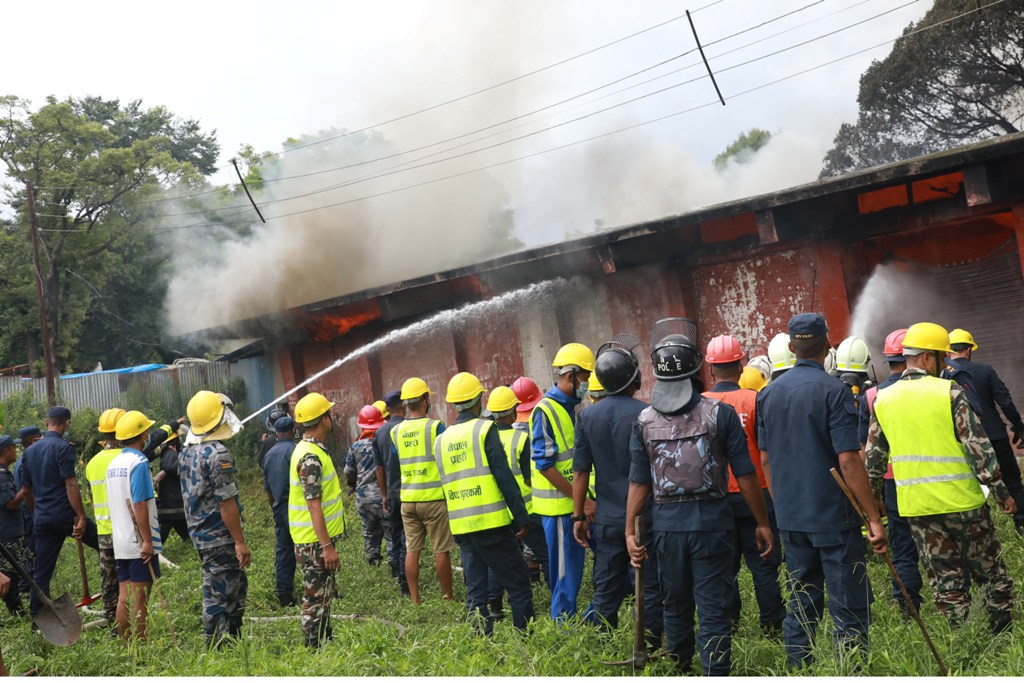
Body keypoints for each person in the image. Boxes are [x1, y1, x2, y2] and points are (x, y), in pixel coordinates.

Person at [626, 319, 774, 675]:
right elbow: (746, 474)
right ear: (697, 369)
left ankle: (680, 669)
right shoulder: (719, 415)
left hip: (667, 529)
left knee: (675, 603)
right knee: (713, 607)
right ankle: (715, 673)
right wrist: (762, 522)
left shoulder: (644, 421)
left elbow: (639, 483)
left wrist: (630, 530)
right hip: (713, 526)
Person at [866, 322, 1016, 634]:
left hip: (918, 511)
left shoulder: (884, 400)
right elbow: (979, 449)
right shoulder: (949, 393)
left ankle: (962, 638)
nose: (945, 365)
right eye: (940, 357)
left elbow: (874, 462)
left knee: (945, 580)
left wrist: (874, 511)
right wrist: (1003, 493)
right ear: (924, 357)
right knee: (991, 573)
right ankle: (1002, 633)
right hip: (963, 504)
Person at [757, 313, 887, 670]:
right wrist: (873, 517)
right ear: (828, 346)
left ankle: (800, 669)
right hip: (834, 517)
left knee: (801, 600)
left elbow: (765, 460)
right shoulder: (836, 392)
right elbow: (848, 460)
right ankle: (852, 671)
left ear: (791, 347)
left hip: (791, 518)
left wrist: (783, 506)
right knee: (848, 604)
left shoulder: (767, 396)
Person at [573, 339, 663, 648]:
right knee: (649, 584)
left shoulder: (586, 417)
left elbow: (581, 471)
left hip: (607, 518)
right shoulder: (647, 414)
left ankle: (603, 643)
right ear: (634, 379)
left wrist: (577, 515)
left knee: (606, 587)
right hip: (645, 516)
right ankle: (650, 643)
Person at [435, 373, 534, 634]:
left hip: (463, 526)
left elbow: (446, 485)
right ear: (478, 400)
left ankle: (481, 641)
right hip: (492, 524)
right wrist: (521, 517)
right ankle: (527, 637)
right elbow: (504, 476)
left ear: (454, 404)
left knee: (476, 591)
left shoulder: (441, 439)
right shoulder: (484, 429)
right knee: (518, 584)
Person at [702, 334, 785, 637]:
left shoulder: (701, 405)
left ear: (711, 369)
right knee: (763, 562)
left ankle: (730, 623)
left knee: (724, 568)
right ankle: (773, 625)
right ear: (739, 365)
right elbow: (766, 451)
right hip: (756, 494)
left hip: (717, 497)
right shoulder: (755, 399)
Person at [858, 328, 922, 616]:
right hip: (933, 477)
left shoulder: (871, 394)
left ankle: (908, 603)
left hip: (892, 480)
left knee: (902, 543)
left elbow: (864, 448)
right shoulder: (932, 387)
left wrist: (871, 496)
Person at [180, 390, 251, 647]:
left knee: (234, 585)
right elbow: (226, 502)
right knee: (218, 593)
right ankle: (216, 645)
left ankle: (232, 637)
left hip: (201, 534)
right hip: (218, 536)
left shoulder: (187, 452)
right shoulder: (217, 454)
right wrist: (239, 541)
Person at [19, 406, 99, 618]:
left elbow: (26, 491)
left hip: (43, 519)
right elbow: (70, 484)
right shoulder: (64, 448)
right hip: (66, 516)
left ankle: (37, 617)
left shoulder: (28, 452)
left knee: (42, 572)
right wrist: (81, 516)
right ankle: (118, 588)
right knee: (105, 546)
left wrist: (38, 511)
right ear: (67, 423)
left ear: (47, 422)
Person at [945, 328, 1024, 535]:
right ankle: (1021, 524)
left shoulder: (943, 375)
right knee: (1013, 480)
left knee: (971, 485)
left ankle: (981, 530)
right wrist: (1018, 426)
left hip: (963, 441)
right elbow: (1004, 401)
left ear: (947, 352)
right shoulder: (985, 370)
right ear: (969, 350)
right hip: (994, 436)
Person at [484, 385, 550, 618]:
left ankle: (495, 607)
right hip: (526, 509)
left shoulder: (484, 438)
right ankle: (556, 598)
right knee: (546, 554)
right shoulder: (521, 438)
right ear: (513, 411)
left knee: (498, 561)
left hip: (499, 511)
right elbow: (531, 477)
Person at [290, 392, 347, 648]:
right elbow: (314, 506)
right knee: (315, 597)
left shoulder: (308, 450)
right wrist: (327, 547)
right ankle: (314, 648)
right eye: (329, 414)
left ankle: (325, 640)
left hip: (313, 540)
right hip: (315, 543)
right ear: (323, 419)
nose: (331, 418)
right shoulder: (311, 457)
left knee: (322, 594)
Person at [390, 378, 453, 605]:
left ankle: (416, 600)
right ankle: (447, 597)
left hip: (408, 500)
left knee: (412, 550)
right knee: (441, 550)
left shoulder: (395, 432)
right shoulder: (435, 427)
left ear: (406, 404)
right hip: (433, 499)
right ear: (426, 400)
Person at [106, 410, 162, 640]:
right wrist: (147, 540)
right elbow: (139, 502)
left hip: (120, 540)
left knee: (124, 596)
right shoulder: (139, 462)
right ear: (142, 434)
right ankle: (140, 647)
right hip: (138, 540)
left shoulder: (114, 463)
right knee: (140, 597)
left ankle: (126, 644)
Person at [84, 408, 126, 629]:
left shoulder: (92, 463)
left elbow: (91, 498)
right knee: (131, 582)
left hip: (104, 532)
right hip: (127, 531)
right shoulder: (128, 458)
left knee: (109, 582)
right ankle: (133, 624)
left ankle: (112, 622)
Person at [510, 376, 548, 584]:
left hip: (514, 501)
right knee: (543, 545)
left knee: (525, 544)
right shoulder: (538, 424)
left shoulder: (508, 431)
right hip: (538, 496)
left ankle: (532, 579)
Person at [344, 405, 390, 566]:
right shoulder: (384, 442)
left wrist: (355, 483)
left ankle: (373, 561)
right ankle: (394, 564)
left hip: (363, 499)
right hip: (384, 497)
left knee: (370, 532)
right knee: (391, 532)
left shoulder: (355, 447)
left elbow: (348, 471)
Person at [261, 415, 298, 607]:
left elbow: (268, 489)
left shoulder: (269, 454)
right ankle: (317, 590)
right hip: (296, 507)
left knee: (284, 550)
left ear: (276, 433)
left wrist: (275, 508)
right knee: (309, 548)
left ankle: (284, 594)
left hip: (278, 507)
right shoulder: (295, 450)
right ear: (292, 430)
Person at [374, 390, 408, 594]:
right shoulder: (406, 428)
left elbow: (379, 468)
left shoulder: (379, 433)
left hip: (392, 491)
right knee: (407, 536)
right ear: (402, 405)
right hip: (409, 490)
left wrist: (384, 494)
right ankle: (405, 578)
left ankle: (396, 569)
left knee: (395, 532)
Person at [147, 425, 190, 547]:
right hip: (171, 505)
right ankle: (153, 547)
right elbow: (171, 466)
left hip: (174, 505)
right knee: (162, 532)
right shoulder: (170, 453)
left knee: (184, 528)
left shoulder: (173, 453)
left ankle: (190, 543)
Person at [12, 427, 41, 596]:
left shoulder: (22, 460)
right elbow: (27, 490)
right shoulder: (25, 461)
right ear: (33, 440)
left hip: (27, 511)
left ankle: (26, 583)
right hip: (28, 512)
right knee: (30, 547)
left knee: (30, 547)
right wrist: (36, 512)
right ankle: (25, 585)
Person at [0, 436, 26, 616]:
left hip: (9, 530)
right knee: (9, 572)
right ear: (6, 451)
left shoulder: (5, 472)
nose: (16, 452)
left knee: (12, 571)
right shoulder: (1, 475)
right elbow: (9, 503)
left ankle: (16, 609)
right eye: (14, 449)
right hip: (6, 532)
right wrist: (25, 491)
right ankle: (16, 611)